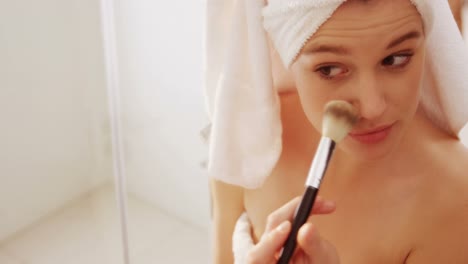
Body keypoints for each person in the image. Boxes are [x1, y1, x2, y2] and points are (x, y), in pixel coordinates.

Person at [204, 0, 468, 263]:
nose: (372, 107)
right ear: (287, 55)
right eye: (329, 69)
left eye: (395, 58)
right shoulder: (248, 134)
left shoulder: (454, 197)